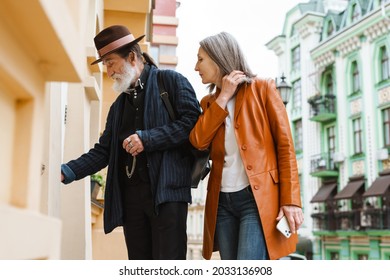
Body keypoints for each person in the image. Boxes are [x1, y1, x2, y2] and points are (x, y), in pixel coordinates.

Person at [61, 25, 201, 260]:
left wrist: (148, 139)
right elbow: (103, 152)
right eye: (105, 64)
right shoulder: (117, 108)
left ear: (133, 57)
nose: (108, 71)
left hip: (167, 195)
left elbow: (192, 124)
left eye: (110, 62)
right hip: (131, 202)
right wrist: (66, 171)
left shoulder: (171, 81)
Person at [189, 32, 304, 260]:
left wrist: (291, 200)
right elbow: (199, 141)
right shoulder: (209, 103)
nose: (195, 66)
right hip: (222, 202)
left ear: (217, 57)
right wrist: (224, 97)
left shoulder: (263, 89)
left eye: (200, 59)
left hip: (256, 200)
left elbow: (285, 147)